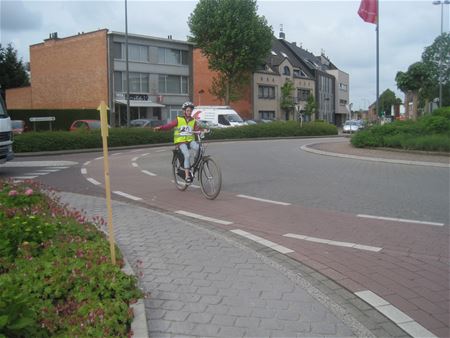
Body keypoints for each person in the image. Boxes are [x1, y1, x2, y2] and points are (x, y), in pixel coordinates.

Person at [154, 101, 203, 183]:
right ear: (184, 111)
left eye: (190, 111)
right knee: (187, 155)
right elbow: (169, 126)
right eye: (187, 110)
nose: (189, 112)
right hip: (181, 142)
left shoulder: (193, 121)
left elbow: (197, 129)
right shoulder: (178, 119)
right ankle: (187, 176)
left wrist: (202, 130)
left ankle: (195, 163)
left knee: (199, 148)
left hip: (190, 141)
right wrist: (160, 128)